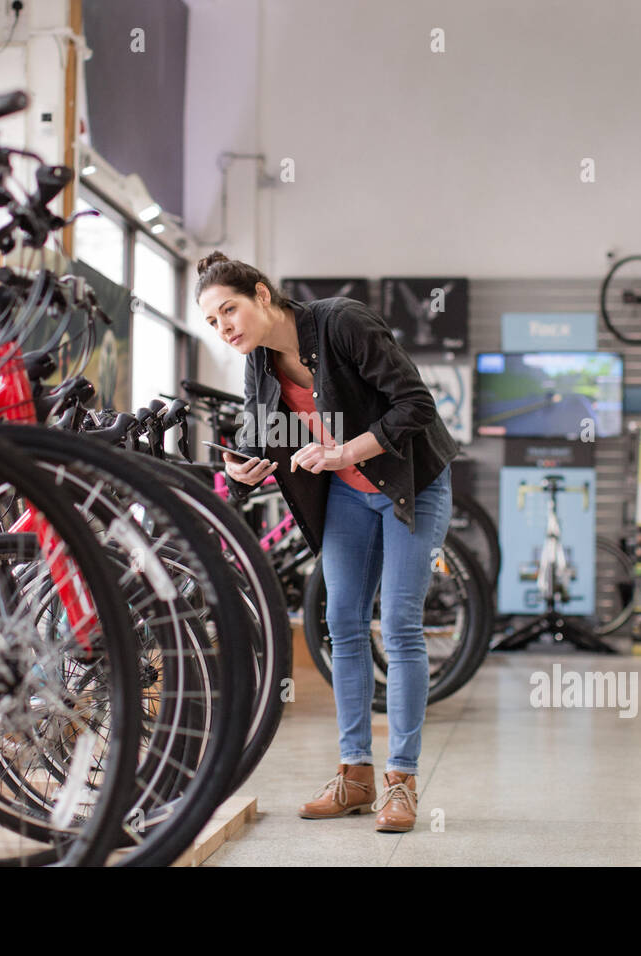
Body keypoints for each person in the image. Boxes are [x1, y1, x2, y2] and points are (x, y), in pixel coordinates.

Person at [196, 251, 457, 833]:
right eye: (212, 323)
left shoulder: (342, 322)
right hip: (344, 493)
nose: (225, 328)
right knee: (342, 621)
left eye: (229, 310)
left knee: (401, 622)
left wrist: (344, 452)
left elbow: (415, 404)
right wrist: (253, 462)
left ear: (262, 295)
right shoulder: (259, 362)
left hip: (408, 481)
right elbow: (264, 432)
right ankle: (355, 774)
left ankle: (402, 781)